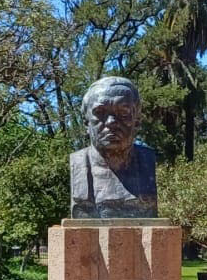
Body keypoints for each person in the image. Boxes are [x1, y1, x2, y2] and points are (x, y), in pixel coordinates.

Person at [67, 76, 158, 219]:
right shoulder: (78, 163)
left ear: (137, 121)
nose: (111, 122)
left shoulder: (147, 161)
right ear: (86, 122)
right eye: (100, 113)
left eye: (123, 113)